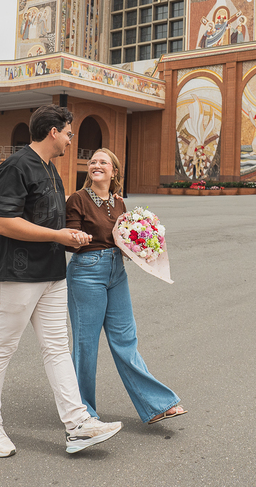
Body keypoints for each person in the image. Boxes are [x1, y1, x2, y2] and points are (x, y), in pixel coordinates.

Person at [0, 105, 122, 457]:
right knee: (2, 348)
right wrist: (58, 236)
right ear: (53, 131)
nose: (72, 140)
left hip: (52, 275)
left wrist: (70, 235)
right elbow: (2, 223)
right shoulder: (16, 166)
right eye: (69, 133)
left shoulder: (51, 170)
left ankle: (77, 425)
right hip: (16, 274)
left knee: (57, 348)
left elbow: (50, 223)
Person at [64, 148, 185, 426]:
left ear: (114, 171)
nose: (96, 165)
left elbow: (121, 238)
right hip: (87, 272)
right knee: (86, 344)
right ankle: (82, 412)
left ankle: (155, 405)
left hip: (116, 271)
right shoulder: (77, 199)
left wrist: (143, 245)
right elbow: (70, 238)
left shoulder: (119, 204)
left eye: (103, 162)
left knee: (125, 339)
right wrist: (77, 238)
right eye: (93, 162)